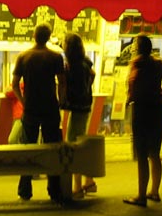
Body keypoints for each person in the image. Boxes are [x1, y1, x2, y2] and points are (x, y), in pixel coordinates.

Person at [123, 33, 162, 207]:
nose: (132, 47)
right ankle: (154, 191)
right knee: (154, 152)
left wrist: (128, 101)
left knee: (142, 153)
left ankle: (141, 195)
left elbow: (132, 85)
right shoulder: (157, 64)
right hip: (157, 108)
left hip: (141, 109)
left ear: (138, 48)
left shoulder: (136, 64)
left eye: (134, 45)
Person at [12, 23, 67, 204]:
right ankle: (54, 189)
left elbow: (14, 84)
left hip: (31, 109)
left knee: (28, 147)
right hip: (50, 107)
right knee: (53, 147)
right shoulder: (55, 57)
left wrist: (23, 101)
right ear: (49, 36)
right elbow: (62, 82)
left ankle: (25, 189)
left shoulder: (24, 56)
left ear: (34, 36)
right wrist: (60, 101)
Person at [62, 32, 98, 199]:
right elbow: (93, 74)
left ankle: (77, 187)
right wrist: (88, 88)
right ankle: (89, 181)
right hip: (85, 106)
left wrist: (63, 100)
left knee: (73, 146)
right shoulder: (85, 62)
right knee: (80, 141)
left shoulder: (72, 66)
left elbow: (66, 84)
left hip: (77, 108)